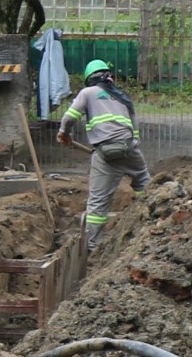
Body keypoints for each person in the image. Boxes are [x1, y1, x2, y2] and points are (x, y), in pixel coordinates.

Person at [57, 58, 149, 247]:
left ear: (89, 79)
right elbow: (135, 127)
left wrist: (63, 133)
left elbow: (69, 117)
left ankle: (91, 246)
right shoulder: (122, 96)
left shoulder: (88, 93)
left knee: (98, 202)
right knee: (144, 182)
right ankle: (152, 219)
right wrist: (133, 146)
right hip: (130, 148)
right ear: (110, 78)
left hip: (106, 153)